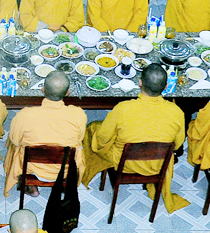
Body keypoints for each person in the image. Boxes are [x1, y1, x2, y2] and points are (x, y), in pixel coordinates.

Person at [80, 64, 189, 213]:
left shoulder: (123, 108)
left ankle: (84, 171)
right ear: (165, 87)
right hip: (157, 163)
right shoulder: (176, 112)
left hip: (124, 163)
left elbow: (103, 138)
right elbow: (177, 144)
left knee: (93, 128)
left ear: (140, 82)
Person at [3, 72, 86, 197]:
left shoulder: (25, 115)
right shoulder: (78, 114)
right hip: (65, 169)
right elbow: (80, 139)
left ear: (43, 89)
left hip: (31, 167)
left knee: (15, 144)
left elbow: (15, 140)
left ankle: (30, 186)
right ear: (67, 93)